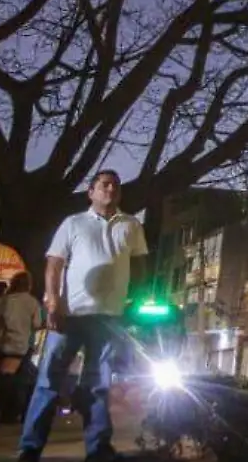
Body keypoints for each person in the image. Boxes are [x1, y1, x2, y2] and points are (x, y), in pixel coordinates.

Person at [18, 170, 148, 462]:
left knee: (99, 382)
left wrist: (134, 301)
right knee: (49, 379)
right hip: (71, 313)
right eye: (104, 185)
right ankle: (30, 447)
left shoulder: (131, 225)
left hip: (109, 316)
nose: (110, 189)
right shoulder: (73, 223)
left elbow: (140, 265)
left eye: (115, 185)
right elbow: (54, 264)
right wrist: (53, 302)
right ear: (91, 192)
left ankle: (98, 447)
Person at [0, 269, 41, 424]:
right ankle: (6, 414)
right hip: (17, 344)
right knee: (11, 380)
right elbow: (36, 324)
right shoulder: (31, 302)